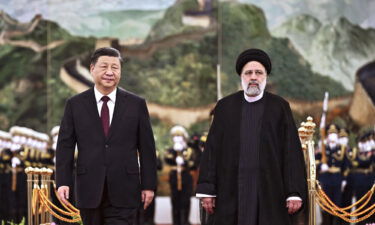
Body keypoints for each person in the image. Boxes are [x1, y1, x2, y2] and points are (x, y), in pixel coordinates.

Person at [196, 48, 307, 225]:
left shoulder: (279, 107)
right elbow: (212, 150)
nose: (253, 77)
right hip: (230, 189)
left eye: (258, 73)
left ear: (265, 77)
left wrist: (294, 191)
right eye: (248, 73)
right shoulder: (225, 107)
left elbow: (291, 151)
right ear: (241, 76)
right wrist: (208, 189)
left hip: (270, 190)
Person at [56, 47, 157, 225]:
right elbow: (65, 146)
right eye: (104, 67)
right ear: (92, 69)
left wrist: (148, 185)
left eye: (115, 67)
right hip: (88, 188)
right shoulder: (75, 104)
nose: (110, 72)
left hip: (125, 188)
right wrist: (63, 181)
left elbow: (147, 147)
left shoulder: (136, 104)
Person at [164, 125, 196, 225]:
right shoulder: (170, 150)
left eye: (179, 136)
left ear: (183, 138)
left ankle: (185, 221)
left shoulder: (189, 151)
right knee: (175, 201)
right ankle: (176, 222)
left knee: (185, 201)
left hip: (185, 176)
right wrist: (175, 154)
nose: (177, 138)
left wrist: (183, 159)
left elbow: (193, 163)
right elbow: (167, 160)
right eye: (175, 136)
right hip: (174, 177)